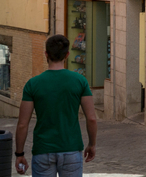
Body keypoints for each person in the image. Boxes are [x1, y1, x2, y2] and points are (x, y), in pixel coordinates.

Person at [14, 34, 97, 177]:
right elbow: (91, 118)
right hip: (71, 149)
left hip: (43, 150)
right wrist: (92, 144)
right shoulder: (80, 81)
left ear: (46, 54)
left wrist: (19, 153)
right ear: (67, 55)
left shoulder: (33, 84)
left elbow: (22, 124)